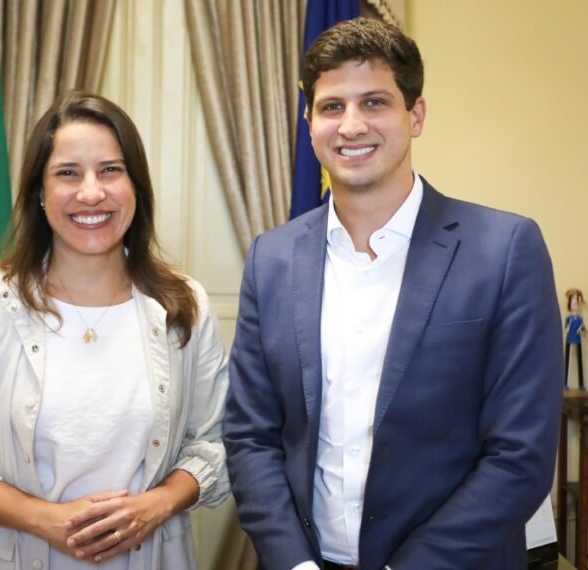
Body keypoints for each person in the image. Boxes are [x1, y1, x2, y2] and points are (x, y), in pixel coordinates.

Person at [224, 17, 562, 570]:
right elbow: (250, 436)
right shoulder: (272, 258)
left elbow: (519, 457)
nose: (351, 126)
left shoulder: (504, 250)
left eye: (374, 102)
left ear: (416, 115)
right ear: (309, 122)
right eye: (332, 107)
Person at [0, 92, 230, 570]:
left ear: (136, 187)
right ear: (39, 190)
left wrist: (158, 504)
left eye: (111, 170)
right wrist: (43, 519)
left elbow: (215, 442)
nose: (91, 193)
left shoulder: (184, 305)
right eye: (68, 173)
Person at [564, 288, 587, 390]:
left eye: (576, 303)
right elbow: (565, 329)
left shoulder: (580, 319)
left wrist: (581, 332)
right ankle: (564, 383)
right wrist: (568, 327)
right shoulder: (568, 319)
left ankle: (581, 384)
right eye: (573, 302)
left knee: (580, 362)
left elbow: (584, 331)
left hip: (578, 340)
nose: (575, 304)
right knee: (567, 361)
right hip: (569, 339)